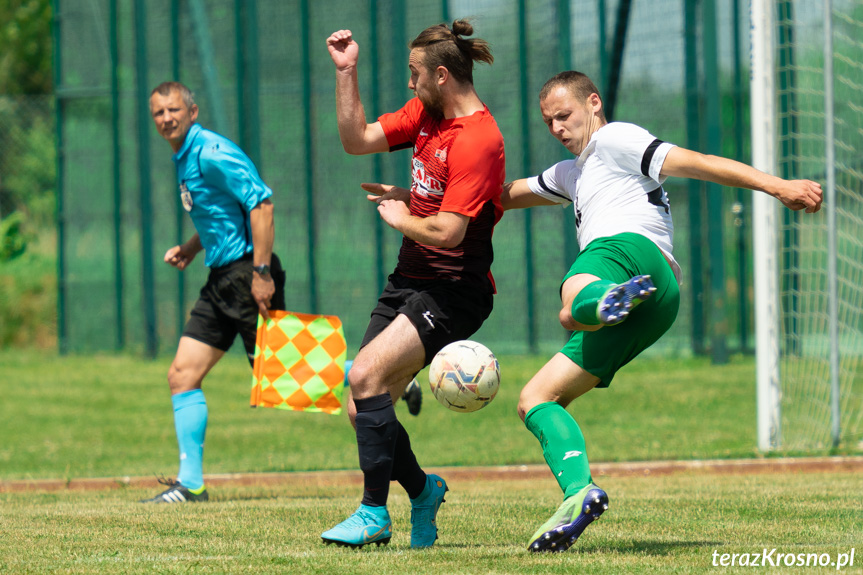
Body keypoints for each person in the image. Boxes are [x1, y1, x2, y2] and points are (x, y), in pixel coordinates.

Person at [501, 70, 822, 552]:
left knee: (573, 293)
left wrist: (777, 186)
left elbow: (701, 163)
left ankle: (595, 301)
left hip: (630, 250)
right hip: (658, 298)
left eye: (564, 115)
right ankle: (579, 493)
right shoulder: (573, 174)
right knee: (536, 399)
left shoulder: (614, 138)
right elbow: (502, 197)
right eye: (548, 122)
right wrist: (423, 203)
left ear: (593, 103)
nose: (557, 128)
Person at [322, 20, 505, 549]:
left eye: (414, 74)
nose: (409, 84)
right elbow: (357, 140)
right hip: (408, 279)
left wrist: (400, 215)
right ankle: (424, 491)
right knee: (361, 403)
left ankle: (373, 513)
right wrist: (346, 71)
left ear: (442, 75)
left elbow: (448, 233)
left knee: (366, 379)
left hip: (454, 290)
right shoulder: (427, 113)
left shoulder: (479, 139)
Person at [141, 81, 286, 504]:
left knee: (284, 378)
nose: (166, 118)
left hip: (246, 275)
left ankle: (380, 375)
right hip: (221, 277)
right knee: (181, 375)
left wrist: (261, 272)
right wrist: (190, 248)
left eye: (173, 110)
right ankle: (191, 485)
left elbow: (261, 204)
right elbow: (220, 213)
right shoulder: (185, 156)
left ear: (193, 111)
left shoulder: (210, 151)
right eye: (158, 113)